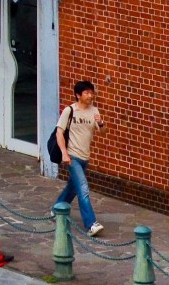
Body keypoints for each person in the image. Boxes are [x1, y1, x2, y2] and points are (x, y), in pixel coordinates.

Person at [51, 79, 105, 235]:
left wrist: (101, 123)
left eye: (91, 92)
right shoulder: (70, 110)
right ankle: (91, 224)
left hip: (84, 156)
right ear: (78, 95)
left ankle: (57, 209)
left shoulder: (94, 111)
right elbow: (59, 132)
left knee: (73, 187)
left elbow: (102, 132)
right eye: (86, 93)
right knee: (83, 188)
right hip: (72, 156)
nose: (90, 95)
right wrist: (64, 153)